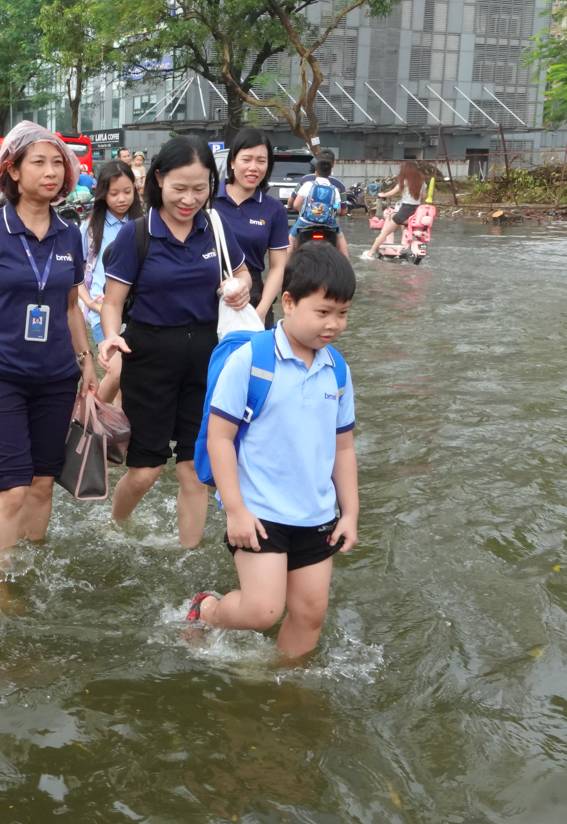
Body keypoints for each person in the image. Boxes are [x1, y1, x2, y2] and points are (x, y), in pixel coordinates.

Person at [185, 242, 359, 662]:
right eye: (323, 312)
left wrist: (350, 512)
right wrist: (235, 511)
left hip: (316, 513)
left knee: (309, 613)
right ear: (288, 302)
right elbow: (219, 438)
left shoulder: (336, 368)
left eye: (343, 313)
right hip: (258, 510)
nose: (333, 324)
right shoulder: (251, 359)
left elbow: (343, 447)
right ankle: (205, 609)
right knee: (263, 611)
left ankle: (284, 687)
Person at [0, 121, 99, 556]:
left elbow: (71, 306)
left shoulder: (70, 233)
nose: (51, 171)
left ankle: (30, 571)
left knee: (41, 485)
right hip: (0, 374)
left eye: (58, 163)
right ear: (13, 171)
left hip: (56, 377)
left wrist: (86, 360)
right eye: (39, 162)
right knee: (11, 489)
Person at [97, 137, 252, 548]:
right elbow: (112, 303)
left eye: (200, 189)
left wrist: (239, 287)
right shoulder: (136, 236)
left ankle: (188, 557)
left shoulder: (215, 227)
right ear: (160, 179)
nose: (190, 199)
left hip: (207, 359)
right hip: (148, 356)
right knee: (146, 470)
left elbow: (243, 274)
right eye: (180, 188)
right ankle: (114, 525)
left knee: (194, 469)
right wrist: (111, 335)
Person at [213, 128, 292, 326]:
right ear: (232, 162)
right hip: (208, 294)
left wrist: (262, 310)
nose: (253, 167)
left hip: (253, 299)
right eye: (246, 159)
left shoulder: (274, 209)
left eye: (261, 161)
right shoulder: (208, 200)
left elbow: (278, 267)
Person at [78, 160, 141, 403]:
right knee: (117, 370)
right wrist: (89, 303)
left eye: (127, 191)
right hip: (103, 311)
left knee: (128, 381)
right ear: (103, 193)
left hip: (136, 312)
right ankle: (87, 421)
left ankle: (117, 436)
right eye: (114, 193)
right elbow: (77, 277)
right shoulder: (90, 228)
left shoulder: (144, 225)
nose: (122, 199)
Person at [289, 151, 350, 260]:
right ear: (331, 171)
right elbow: (339, 209)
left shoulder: (307, 184)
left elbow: (296, 204)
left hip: (305, 222)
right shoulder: (335, 189)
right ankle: (346, 266)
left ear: (316, 172)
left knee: (291, 239)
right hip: (328, 223)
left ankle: (283, 269)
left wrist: (301, 212)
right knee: (340, 237)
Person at [363, 161, 425, 259]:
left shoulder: (404, 182)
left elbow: (391, 193)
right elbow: (423, 197)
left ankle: (370, 253)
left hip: (405, 211)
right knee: (403, 226)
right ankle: (405, 245)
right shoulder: (422, 183)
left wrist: (381, 195)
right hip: (417, 213)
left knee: (385, 232)